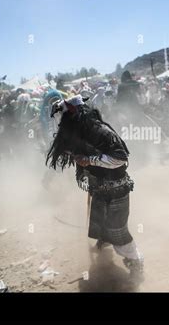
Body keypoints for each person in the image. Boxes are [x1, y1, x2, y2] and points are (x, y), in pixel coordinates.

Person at [47, 95, 143, 275]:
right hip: (99, 187)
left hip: (115, 188)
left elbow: (120, 158)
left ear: (73, 114)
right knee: (99, 221)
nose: (62, 122)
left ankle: (135, 261)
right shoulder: (80, 131)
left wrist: (89, 160)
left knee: (117, 230)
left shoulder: (101, 131)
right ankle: (104, 241)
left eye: (64, 116)